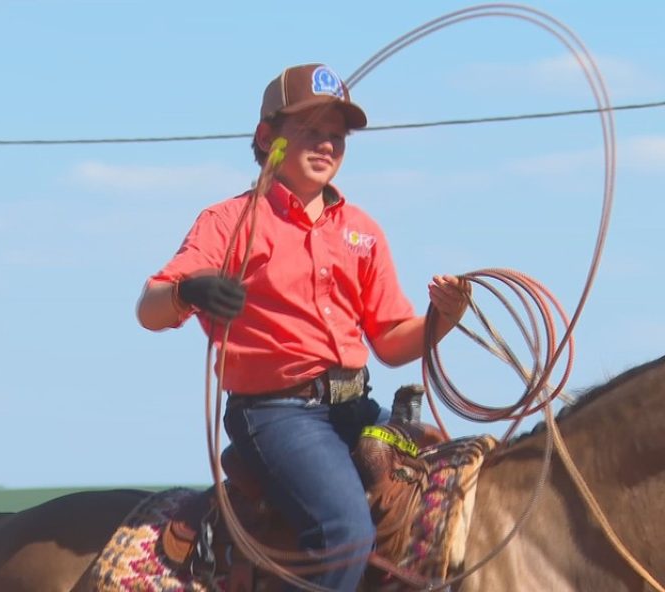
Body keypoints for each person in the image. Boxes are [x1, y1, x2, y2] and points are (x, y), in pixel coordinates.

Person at [136, 63, 470, 591]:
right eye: (310, 131)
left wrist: (442, 317)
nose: (327, 145)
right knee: (342, 532)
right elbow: (149, 309)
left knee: (456, 489)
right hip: (277, 415)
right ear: (268, 138)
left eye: (336, 136)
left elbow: (390, 342)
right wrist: (188, 291)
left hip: (355, 407)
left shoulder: (362, 231)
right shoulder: (229, 221)